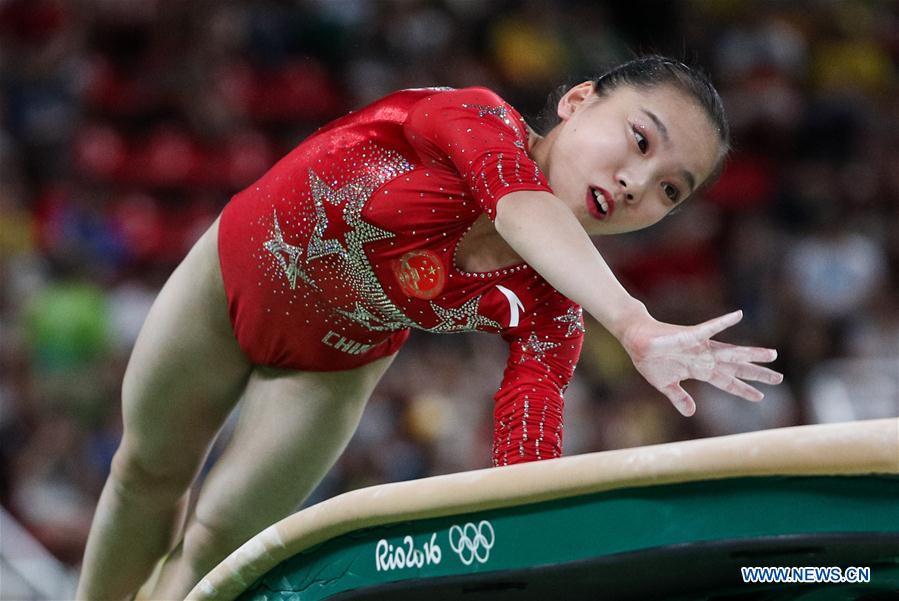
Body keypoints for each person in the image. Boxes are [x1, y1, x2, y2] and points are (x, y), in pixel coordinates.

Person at [75, 55, 782, 600]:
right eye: (639, 139)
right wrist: (632, 323)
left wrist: (541, 554)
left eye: (668, 189)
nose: (636, 182)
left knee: (216, 543)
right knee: (146, 473)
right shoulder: (474, 117)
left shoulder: (553, 309)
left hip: (329, 367)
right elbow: (516, 204)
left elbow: (527, 463)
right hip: (229, 277)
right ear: (576, 101)